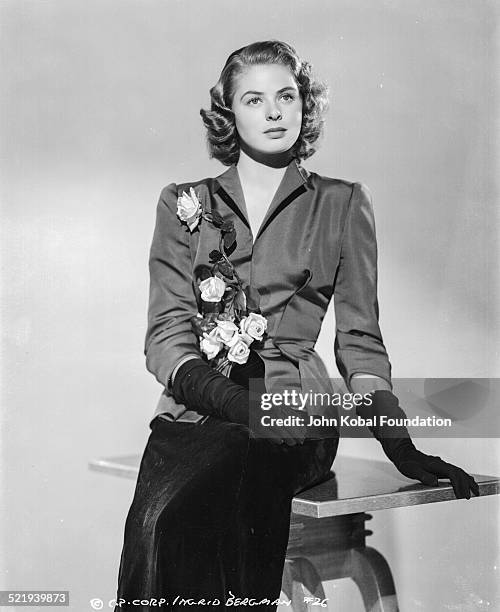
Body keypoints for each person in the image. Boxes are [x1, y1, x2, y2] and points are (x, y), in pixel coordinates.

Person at [114, 40, 479, 611]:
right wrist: (234, 405)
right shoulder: (182, 203)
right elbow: (166, 336)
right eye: (254, 99)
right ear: (229, 113)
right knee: (161, 524)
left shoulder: (343, 203)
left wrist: (401, 445)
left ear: (305, 107)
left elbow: (360, 343)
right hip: (197, 412)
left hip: (292, 413)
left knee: (213, 502)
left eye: (286, 96)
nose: (274, 111)